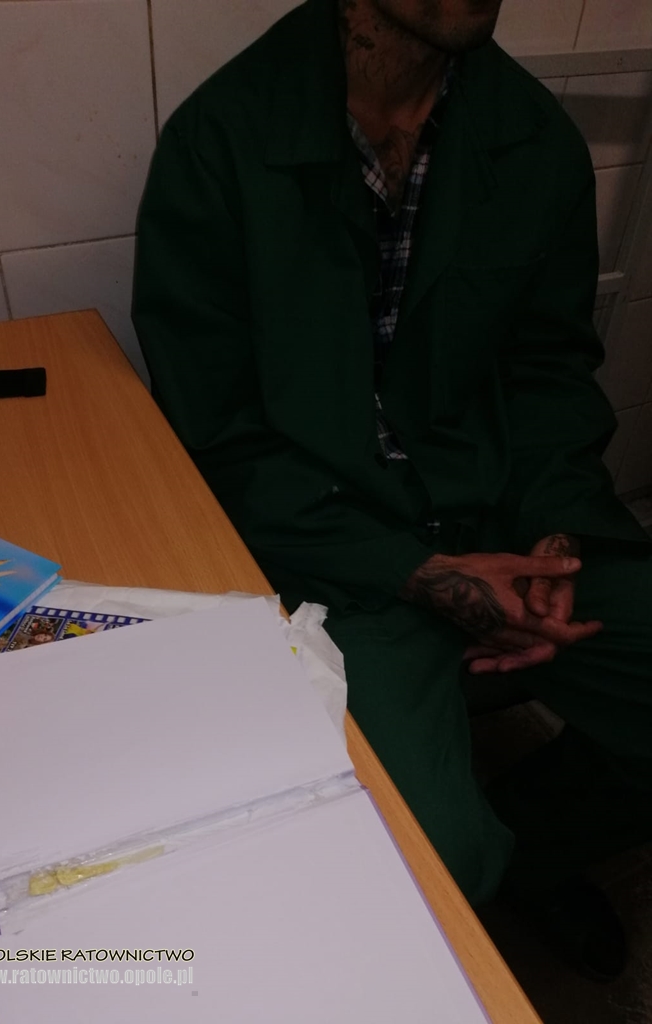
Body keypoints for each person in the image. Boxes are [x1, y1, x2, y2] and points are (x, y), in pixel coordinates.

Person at [132, 0, 652, 978]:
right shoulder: (221, 141)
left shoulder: (533, 138)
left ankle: (527, 850)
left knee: (471, 849)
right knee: (417, 870)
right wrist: (418, 571)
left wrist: (555, 542)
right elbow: (220, 439)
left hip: (502, 514)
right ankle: (470, 868)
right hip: (336, 553)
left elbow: (548, 375)